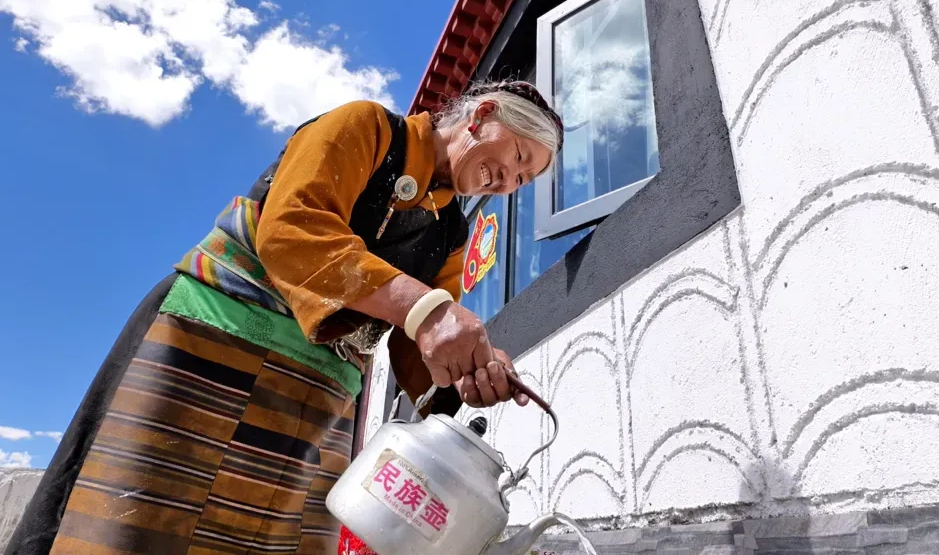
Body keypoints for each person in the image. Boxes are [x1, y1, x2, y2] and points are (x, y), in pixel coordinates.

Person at [4, 80, 564, 555]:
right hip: (210, 347)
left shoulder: (451, 232)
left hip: (316, 402)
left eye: (524, 181)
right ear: (482, 115)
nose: (510, 182)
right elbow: (292, 228)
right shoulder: (370, 129)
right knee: (137, 521)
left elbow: (420, 348)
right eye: (518, 158)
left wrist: (470, 370)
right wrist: (427, 310)